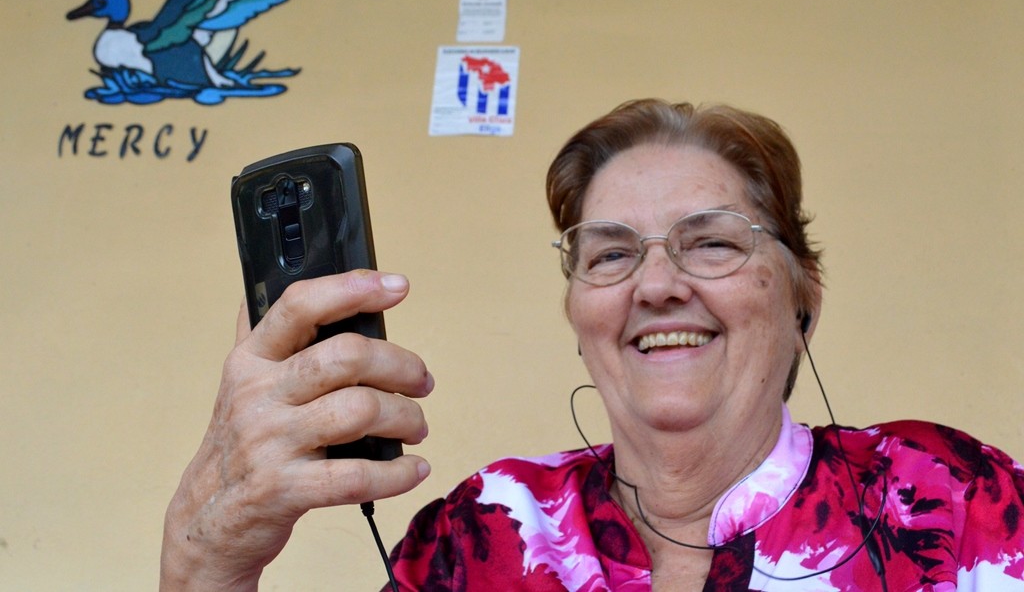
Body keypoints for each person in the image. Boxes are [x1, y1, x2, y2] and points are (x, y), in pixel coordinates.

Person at [161, 99, 1024, 590]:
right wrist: (206, 559)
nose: (656, 285)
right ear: (581, 316)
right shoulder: (489, 531)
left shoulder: (951, 499)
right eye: (610, 252)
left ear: (802, 296)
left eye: (713, 240)